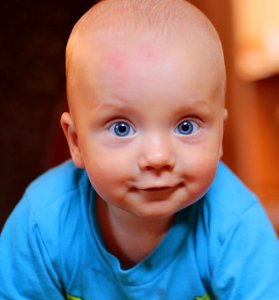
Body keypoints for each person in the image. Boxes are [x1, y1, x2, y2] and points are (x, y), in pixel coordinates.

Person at [0, 0, 278, 299]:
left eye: (186, 126)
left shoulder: (237, 226)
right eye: (121, 128)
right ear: (76, 143)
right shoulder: (41, 224)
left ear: (220, 136)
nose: (157, 157)